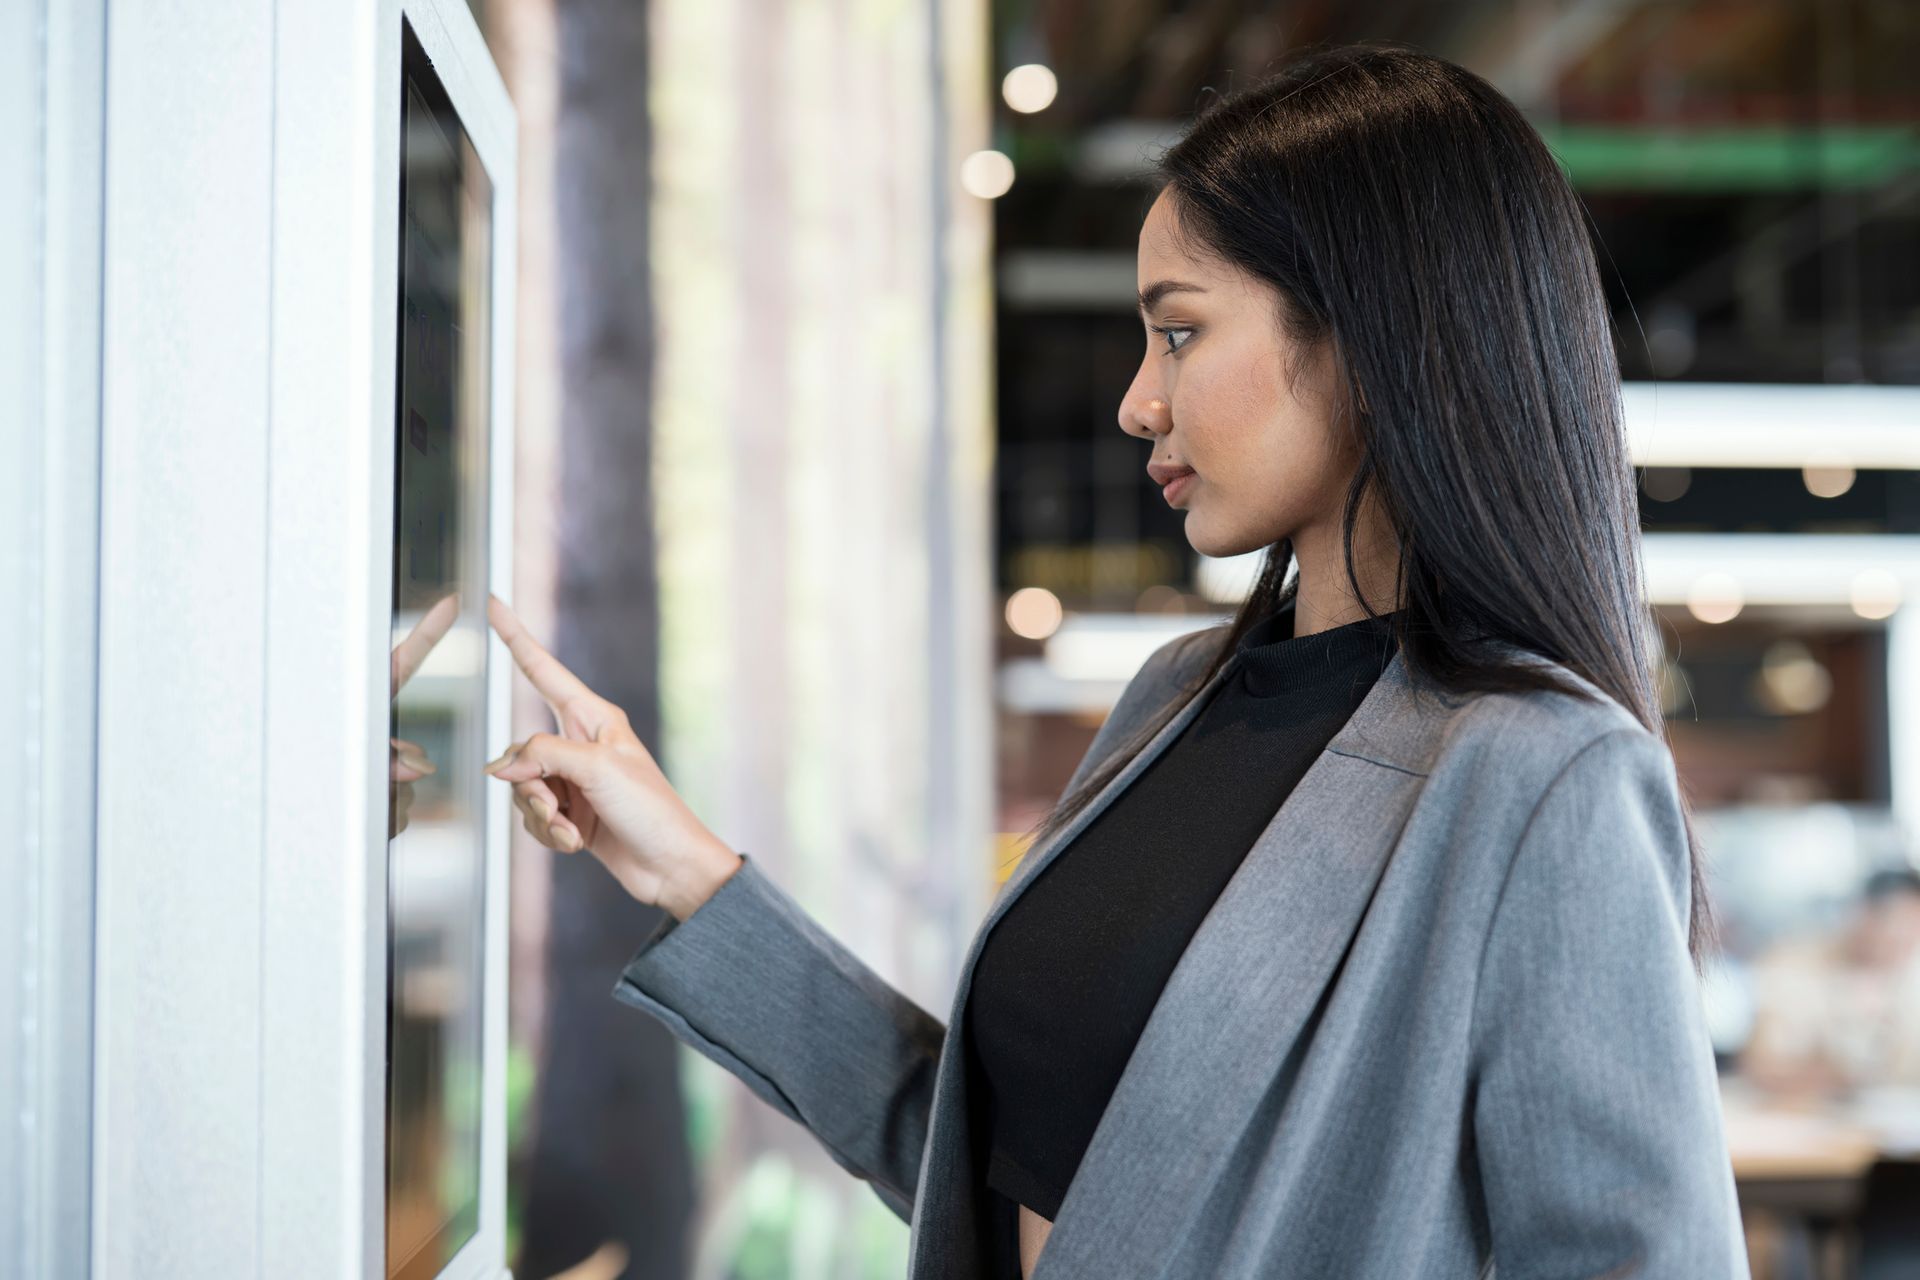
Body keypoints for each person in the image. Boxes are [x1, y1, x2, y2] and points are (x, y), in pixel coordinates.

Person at [482, 42, 1749, 1280]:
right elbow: (989, 1161)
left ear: (1369, 332)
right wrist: (684, 868)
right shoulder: (1176, 698)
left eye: (1180, 333)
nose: (1140, 399)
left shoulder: (1545, 775)